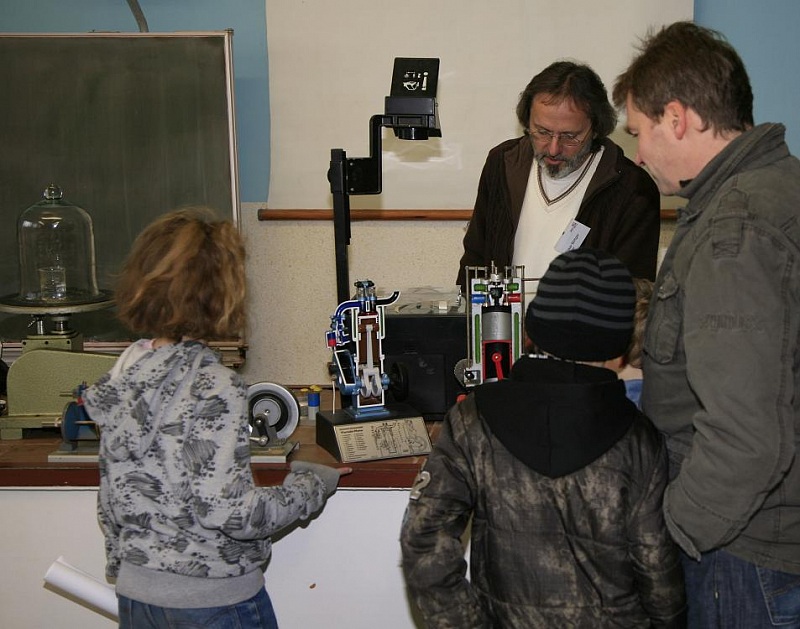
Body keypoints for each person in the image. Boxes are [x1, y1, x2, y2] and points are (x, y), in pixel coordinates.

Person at [613, 21, 800, 627]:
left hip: (744, 555)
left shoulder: (735, 230)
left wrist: (668, 537)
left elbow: (746, 438)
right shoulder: (778, 189)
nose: (639, 155)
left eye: (638, 133)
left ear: (678, 118)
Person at [82, 208, 350, 628]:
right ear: (225, 292)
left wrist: (135, 578)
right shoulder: (213, 385)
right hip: (213, 604)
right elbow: (230, 512)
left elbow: (111, 503)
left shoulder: (124, 376)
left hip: (138, 599)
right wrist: (311, 484)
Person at [402, 248, 686, 628]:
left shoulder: (473, 420)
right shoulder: (639, 440)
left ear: (529, 332)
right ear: (621, 350)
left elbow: (423, 541)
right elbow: (657, 570)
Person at [457, 60, 661, 292]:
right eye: (542, 132)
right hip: (500, 315)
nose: (553, 149)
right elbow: (475, 256)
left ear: (596, 129)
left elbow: (632, 292)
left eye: (569, 136)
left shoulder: (633, 189)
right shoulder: (502, 163)